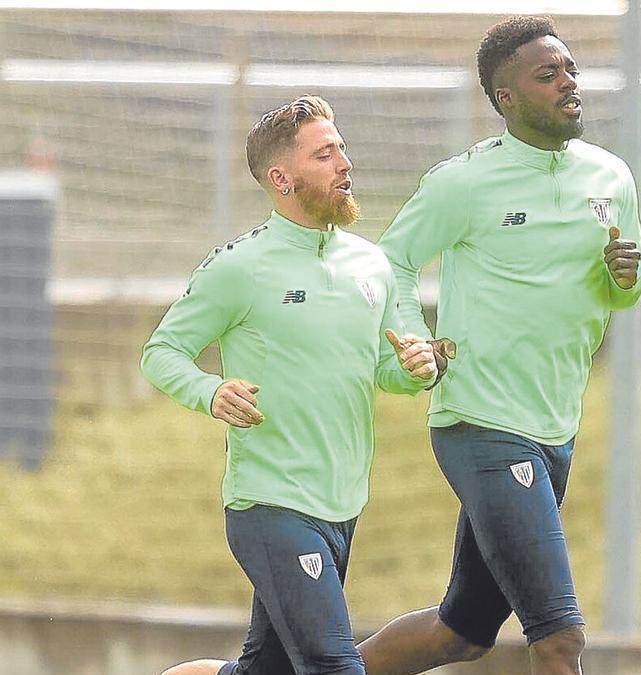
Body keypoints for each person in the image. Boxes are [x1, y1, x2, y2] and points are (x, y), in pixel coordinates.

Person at [357, 15, 641, 675]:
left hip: (554, 427)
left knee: (459, 633)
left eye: (570, 69)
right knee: (559, 636)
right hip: (480, 422)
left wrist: (624, 277)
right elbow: (390, 263)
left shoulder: (612, 178)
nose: (568, 82)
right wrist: (415, 340)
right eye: (548, 75)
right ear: (508, 99)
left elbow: (625, 290)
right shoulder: (463, 181)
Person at [142, 95, 439, 675]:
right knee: (334, 665)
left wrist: (414, 369)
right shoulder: (239, 267)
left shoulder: (371, 265)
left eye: (342, 148)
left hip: (343, 503)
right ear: (282, 178)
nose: (344, 163)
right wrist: (210, 392)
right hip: (269, 503)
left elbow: (388, 367)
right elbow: (162, 352)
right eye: (325, 154)